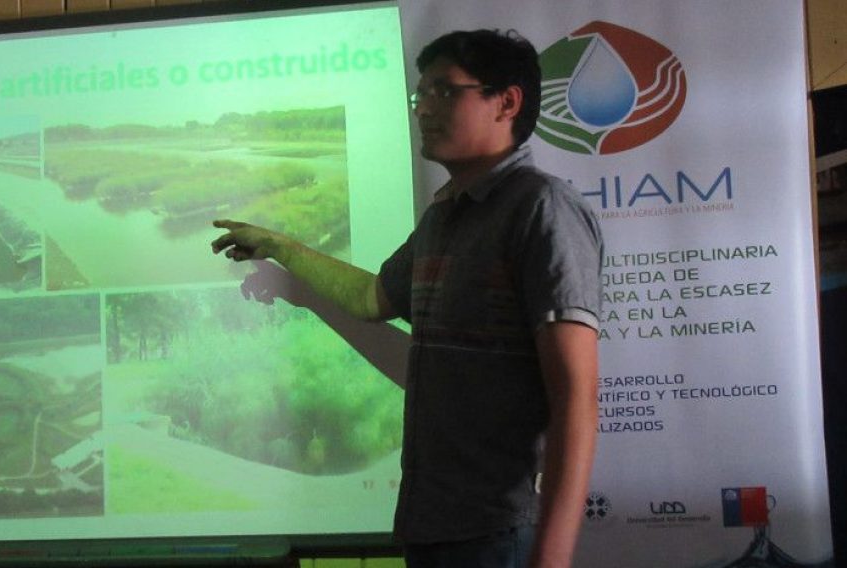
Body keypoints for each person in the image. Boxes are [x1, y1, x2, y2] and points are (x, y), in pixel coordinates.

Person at [211, 29, 602, 568]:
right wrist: (281, 249)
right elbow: (374, 298)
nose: (424, 109)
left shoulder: (541, 209)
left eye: (445, 91)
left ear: (506, 102)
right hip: (433, 524)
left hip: (502, 529)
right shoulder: (446, 215)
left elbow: (576, 400)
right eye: (421, 96)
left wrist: (551, 560)